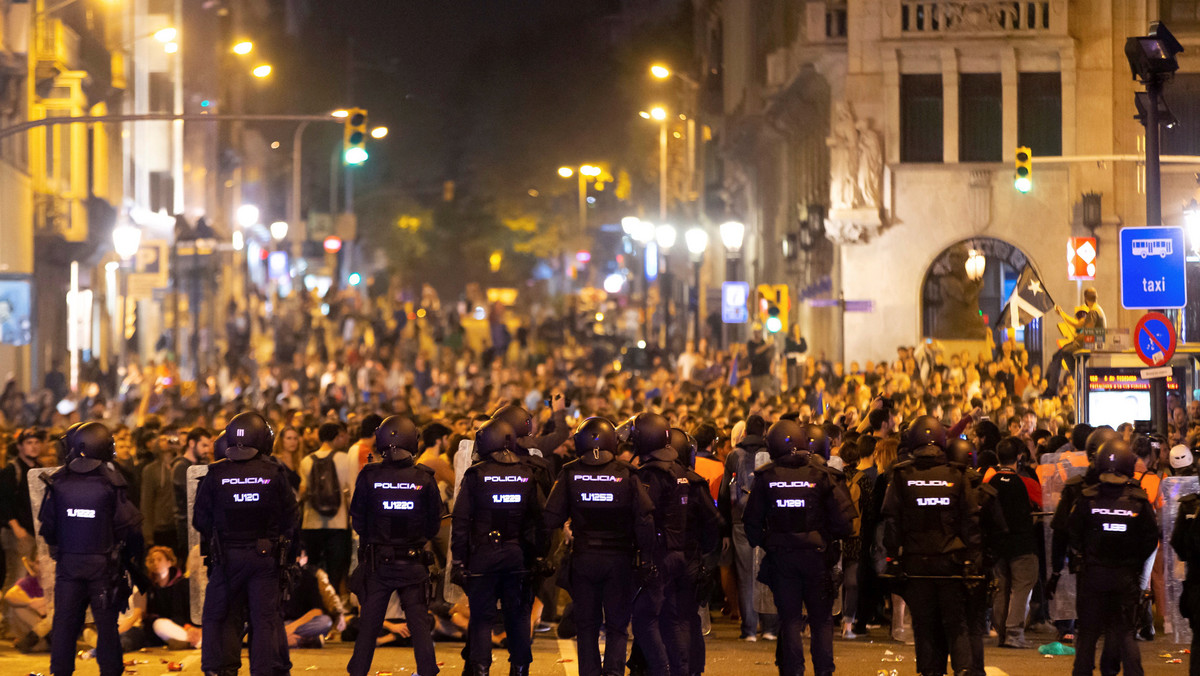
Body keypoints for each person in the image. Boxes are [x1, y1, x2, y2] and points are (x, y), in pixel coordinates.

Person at [542, 417, 655, 676]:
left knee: (587, 626)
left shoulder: (570, 472)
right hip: (619, 559)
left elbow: (551, 518)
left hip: (584, 558)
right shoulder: (627, 473)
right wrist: (646, 558)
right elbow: (645, 520)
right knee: (617, 625)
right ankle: (613, 672)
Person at [744, 420, 854, 676]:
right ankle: (824, 672)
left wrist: (771, 541)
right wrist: (823, 537)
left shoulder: (766, 476)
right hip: (817, 559)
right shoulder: (823, 475)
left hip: (782, 559)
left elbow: (751, 524)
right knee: (821, 621)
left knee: (790, 620)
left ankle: (793, 672)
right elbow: (845, 523)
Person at [194, 411, 300, 676]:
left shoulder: (216, 473)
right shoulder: (274, 472)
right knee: (264, 620)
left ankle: (221, 670)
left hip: (227, 557)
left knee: (223, 617)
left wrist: (221, 537)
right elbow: (291, 517)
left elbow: (200, 519)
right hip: (265, 557)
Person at [39, 422, 145, 676]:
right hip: (103, 568)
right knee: (106, 625)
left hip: (68, 566)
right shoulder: (111, 482)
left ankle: (60, 671)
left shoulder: (58, 481)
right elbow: (131, 527)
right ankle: (110, 670)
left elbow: (48, 528)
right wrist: (131, 559)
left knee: (64, 623)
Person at [882, 416, 979, 676]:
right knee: (956, 624)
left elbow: (892, 523)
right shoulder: (956, 474)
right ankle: (963, 670)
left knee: (924, 626)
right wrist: (972, 560)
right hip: (951, 562)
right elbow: (971, 521)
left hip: (916, 562)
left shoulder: (902, 476)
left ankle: (930, 671)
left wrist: (893, 558)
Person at [347, 415, 442, 676]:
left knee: (369, 625)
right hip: (412, 562)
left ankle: (358, 671)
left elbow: (358, 518)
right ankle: (427, 670)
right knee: (419, 623)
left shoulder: (369, 476)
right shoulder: (424, 478)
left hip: (379, 563)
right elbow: (434, 523)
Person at [451, 418, 547, 676]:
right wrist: (538, 556)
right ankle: (519, 669)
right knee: (517, 617)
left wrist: (458, 561)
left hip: (483, 554)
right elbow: (540, 520)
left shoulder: (476, 474)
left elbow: (460, 521)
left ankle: (481, 669)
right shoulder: (528, 474)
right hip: (516, 556)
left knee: (482, 618)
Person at [1067, 439, 1158, 676]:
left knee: (1088, 634)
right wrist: (1135, 562)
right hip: (1125, 576)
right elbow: (1151, 538)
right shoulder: (1138, 500)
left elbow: (1073, 532)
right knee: (1125, 632)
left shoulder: (1088, 498)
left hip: (1094, 575)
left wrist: (1086, 556)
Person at [628, 411, 690, 676]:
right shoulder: (680, 471)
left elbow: (645, 517)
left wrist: (644, 555)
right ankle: (680, 670)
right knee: (670, 619)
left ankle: (662, 670)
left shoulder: (652, 475)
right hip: (678, 554)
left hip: (659, 556)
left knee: (644, 620)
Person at [986, 437, 1041, 649]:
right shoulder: (1025, 482)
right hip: (1022, 543)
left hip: (998, 544)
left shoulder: (989, 481)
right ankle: (1014, 633)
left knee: (1001, 587)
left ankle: (1000, 632)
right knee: (1022, 587)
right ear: (1019, 457)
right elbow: (1044, 502)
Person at [298, 421, 357, 593]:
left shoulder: (306, 461)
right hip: (337, 523)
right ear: (336, 436)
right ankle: (334, 606)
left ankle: (316, 604)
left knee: (313, 568)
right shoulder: (344, 460)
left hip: (311, 523)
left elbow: (302, 492)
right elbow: (350, 493)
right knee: (335, 570)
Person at [0, 428, 44, 589]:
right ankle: (7, 613)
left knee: (29, 580)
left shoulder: (39, 468)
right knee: (16, 578)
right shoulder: (12, 470)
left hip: (33, 532)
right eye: (29, 443)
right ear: (20, 447)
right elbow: (3, 501)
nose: (34, 446)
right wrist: (16, 526)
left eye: (36, 442)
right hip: (16, 534)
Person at [1043, 288, 1105, 397]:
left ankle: (1065, 383)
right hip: (1092, 344)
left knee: (1062, 353)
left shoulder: (1093, 312)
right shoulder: (1097, 310)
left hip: (1089, 345)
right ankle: (1078, 377)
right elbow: (1078, 324)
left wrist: (1077, 338)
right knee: (1064, 353)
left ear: (1085, 299)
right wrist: (1062, 313)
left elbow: (1088, 333)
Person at [143, 545, 199, 649]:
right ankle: (192, 642)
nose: (155, 563)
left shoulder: (181, 584)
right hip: (168, 628)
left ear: (169, 562)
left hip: (187, 626)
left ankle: (192, 641)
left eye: (159, 560)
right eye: (152, 561)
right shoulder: (150, 589)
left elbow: (183, 613)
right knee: (159, 625)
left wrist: (189, 627)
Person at [172, 427, 212, 564]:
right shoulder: (181, 467)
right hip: (185, 527)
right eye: (204, 445)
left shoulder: (202, 464)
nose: (207, 450)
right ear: (192, 443)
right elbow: (191, 495)